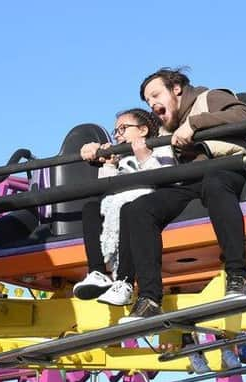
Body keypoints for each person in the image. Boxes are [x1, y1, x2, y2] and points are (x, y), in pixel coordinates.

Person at [118, 68, 246, 359]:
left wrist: (195, 124)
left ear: (177, 90)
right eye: (148, 101)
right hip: (189, 181)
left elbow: (245, 117)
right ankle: (148, 297)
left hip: (229, 169)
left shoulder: (211, 98)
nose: (152, 105)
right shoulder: (166, 128)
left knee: (215, 182)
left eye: (155, 96)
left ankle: (237, 276)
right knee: (137, 208)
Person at [72, 108, 174, 306]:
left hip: (145, 201)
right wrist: (109, 165)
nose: (118, 135)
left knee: (130, 209)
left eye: (123, 129)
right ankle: (97, 271)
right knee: (92, 208)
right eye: (116, 131)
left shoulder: (159, 147)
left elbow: (166, 177)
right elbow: (106, 188)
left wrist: (144, 156)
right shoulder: (121, 156)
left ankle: (125, 280)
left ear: (143, 130)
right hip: (116, 201)